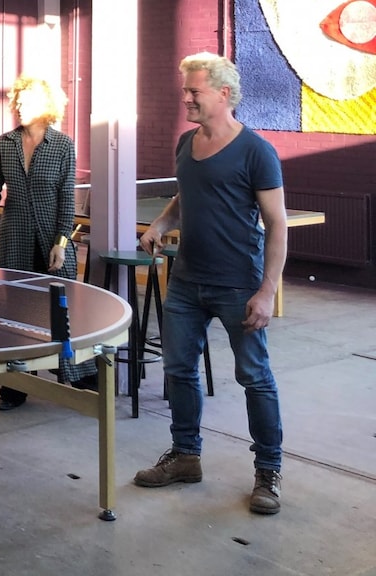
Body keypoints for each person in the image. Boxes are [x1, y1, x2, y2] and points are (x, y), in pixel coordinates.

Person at [135, 52, 287, 515]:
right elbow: (186, 192)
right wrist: (161, 224)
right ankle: (185, 456)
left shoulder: (256, 152)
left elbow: (277, 224)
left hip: (238, 286)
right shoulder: (186, 143)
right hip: (185, 281)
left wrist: (266, 291)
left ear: (223, 93)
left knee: (254, 377)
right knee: (179, 371)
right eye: (185, 90)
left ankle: (268, 471)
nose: (186, 99)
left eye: (194, 91)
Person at [0, 74, 97, 411]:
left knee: (60, 311)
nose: (18, 107)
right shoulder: (6, 142)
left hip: (51, 237)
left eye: (26, 102)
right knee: (13, 312)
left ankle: (77, 372)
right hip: (14, 236)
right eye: (17, 101)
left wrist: (61, 241)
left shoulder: (62, 145)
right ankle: (15, 386)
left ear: (45, 107)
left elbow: (65, 201)